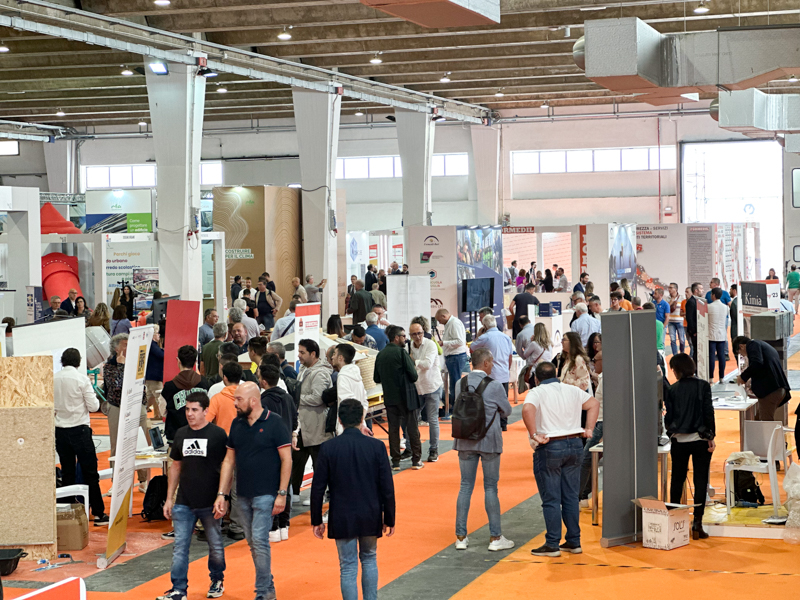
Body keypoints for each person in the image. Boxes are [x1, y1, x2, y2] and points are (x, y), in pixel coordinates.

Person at [214, 382, 292, 600]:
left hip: (266, 494)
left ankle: (262, 593)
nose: (235, 403)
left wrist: (282, 494)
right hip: (243, 494)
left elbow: (287, 459)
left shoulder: (275, 423)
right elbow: (229, 460)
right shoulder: (237, 424)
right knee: (253, 543)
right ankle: (268, 587)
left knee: (258, 540)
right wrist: (222, 494)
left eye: (239, 399)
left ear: (253, 400)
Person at [311, 399, 395, 600]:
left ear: (339, 420)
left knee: (347, 566)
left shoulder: (328, 448)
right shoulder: (377, 447)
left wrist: (316, 520)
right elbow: (387, 487)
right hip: (370, 512)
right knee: (369, 558)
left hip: (342, 514)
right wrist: (390, 517)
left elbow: (318, 488)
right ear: (362, 418)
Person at [522, 361, 599, 557]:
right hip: (574, 444)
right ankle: (574, 541)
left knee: (551, 498)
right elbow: (593, 404)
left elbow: (527, 409)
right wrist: (589, 429)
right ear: (556, 374)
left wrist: (534, 434)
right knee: (571, 496)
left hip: (550, 446)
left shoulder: (537, 392)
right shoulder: (571, 389)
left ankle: (552, 543)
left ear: (537, 379)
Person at [158, 392, 227, 600]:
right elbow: (175, 466)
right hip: (184, 502)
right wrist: (169, 498)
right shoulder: (181, 434)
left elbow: (227, 467)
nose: (189, 414)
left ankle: (217, 579)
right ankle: (178, 589)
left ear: (206, 411)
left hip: (210, 502)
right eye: (187, 409)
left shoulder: (218, 435)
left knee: (215, 546)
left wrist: (222, 496)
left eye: (194, 410)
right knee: (180, 547)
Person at [453, 347, 514, 552]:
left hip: (464, 440)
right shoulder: (494, 385)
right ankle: (495, 537)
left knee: (465, 486)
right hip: (489, 441)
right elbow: (507, 410)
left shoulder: (459, 384)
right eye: (492, 362)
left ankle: (461, 537)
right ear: (486, 363)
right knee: (490, 487)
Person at [54, 348, 107, 524]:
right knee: (90, 472)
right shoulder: (82, 379)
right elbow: (93, 406)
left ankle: (69, 512)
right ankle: (98, 513)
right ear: (78, 362)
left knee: (67, 472)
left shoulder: (53, 379)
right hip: (80, 430)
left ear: (62, 361)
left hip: (60, 431)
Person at [665, 353, 715, 540]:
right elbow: (708, 412)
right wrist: (711, 435)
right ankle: (697, 523)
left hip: (679, 440)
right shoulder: (703, 386)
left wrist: (671, 432)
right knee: (700, 481)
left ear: (677, 370)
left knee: (677, 480)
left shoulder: (672, 389)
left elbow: (669, 416)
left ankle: (674, 522)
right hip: (700, 439)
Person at [104, 333, 150, 489]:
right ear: (116, 349)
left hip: (137, 405)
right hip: (117, 406)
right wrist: (122, 366)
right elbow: (117, 385)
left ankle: (143, 480)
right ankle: (116, 482)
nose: (129, 347)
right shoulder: (109, 366)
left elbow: (141, 384)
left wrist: (143, 403)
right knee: (117, 444)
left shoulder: (137, 363)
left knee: (142, 442)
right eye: (125, 344)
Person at [373, 325, 423, 470]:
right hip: (406, 396)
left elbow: (376, 378)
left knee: (393, 429)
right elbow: (414, 376)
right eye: (403, 336)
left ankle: (395, 461)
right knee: (412, 428)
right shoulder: (401, 353)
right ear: (396, 338)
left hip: (390, 396)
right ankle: (416, 460)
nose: (405, 339)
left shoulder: (380, 355)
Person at [259, 363, 298, 542]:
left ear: (263, 381)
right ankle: (284, 525)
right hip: (286, 449)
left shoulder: (263, 401)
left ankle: (273, 527)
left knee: (270, 489)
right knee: (285, 487)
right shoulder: (288, 398)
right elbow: (295, 421)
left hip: (269, 450)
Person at [291, 339, 334, 502]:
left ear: (313, 354)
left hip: (317, 426)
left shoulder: (320, 373)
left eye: (302, 352)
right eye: (299, 352)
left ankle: (319, 495)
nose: (299, 355)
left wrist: (296, 398)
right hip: (302, 425)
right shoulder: (303, 369)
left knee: (319, 464)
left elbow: (318, 398)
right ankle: (295, 493)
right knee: (297, 460)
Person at [733, 336, 792, 421]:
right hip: (776, 388)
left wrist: (743, 377)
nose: (743, 355)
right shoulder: (762, 345)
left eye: (740, 353)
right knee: (758, 420)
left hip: (770, 391)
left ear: (741, 346)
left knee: (765, 422)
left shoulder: (753, 345)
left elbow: (757, 363)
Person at [162, 345, 212, 443]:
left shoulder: (169, 386)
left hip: (175, 436)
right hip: (199, 435)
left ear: (178, 361)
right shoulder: (204, 382)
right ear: (195, 362)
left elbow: (162, 411)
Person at [409, 320, 443, 463]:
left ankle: (434, 449)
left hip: (432, 386)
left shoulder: (430, 344)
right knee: (412, 419)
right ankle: (412, 449)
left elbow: (427, 364)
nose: (418, 336)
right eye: (414, 334)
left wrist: (413, 361)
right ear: (410, 335)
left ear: (423, 332)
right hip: (417, 388)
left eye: (420, 333)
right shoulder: (409, 346)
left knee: (432, 419)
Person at [435, 308, 469, 419]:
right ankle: (455, 408)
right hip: (453, 357)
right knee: (454, 384)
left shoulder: (454, 323)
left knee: (455, 385)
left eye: (439, 320)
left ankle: (457, 409)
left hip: (456, 357)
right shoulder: (450, 324)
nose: (439, 322)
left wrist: (443, 343)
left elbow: (460, 341)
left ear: (444, 316)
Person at [470, 313, 513, 396]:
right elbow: (510, 357)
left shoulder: (484, 337)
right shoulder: (506, 337)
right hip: (504, 374)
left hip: (491, 376)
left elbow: (471, 348)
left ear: (485, 326)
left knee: (490, 400)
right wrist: (507, 370)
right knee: (503, 400)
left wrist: (478, 335)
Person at [331, 344, 369, 435]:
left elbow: (347, 403)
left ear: (340, 358)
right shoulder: (356, 374)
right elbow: (364, 402)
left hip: (347, 428)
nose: (332, 357)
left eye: (334, 354)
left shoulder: (343, 376)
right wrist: (361, 422)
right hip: (358, 425)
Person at [579, 374, 603, 507]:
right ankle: (583, 495)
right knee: (590, 459)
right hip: (599, 422)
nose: (594, 365)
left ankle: (579, 496)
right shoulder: (601, 377)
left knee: (587, 458)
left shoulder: (606, 378)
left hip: (601, 422)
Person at [207, 361, 242, 435]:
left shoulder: (216, 399)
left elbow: (206, 421)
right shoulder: (247, 398)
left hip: (222, 438)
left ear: (225, 378)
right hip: (243, 437)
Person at [707, 287, 728, 383]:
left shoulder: (709, 307)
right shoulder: (726, 307)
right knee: (721, 356)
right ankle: (722, 377)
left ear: (714, 295)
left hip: (711, 335)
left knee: (711, 356)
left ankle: (711, 378)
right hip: (722, 335)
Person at [145, 331, 165, 420]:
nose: (159, 335)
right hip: (154, 376)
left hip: (151, 376)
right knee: (159, 397)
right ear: (153, 335)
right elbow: (161, 355)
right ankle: (161, 415)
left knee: (150, 397)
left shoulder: (152, 345)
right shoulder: (152, 345)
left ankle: (157, 415)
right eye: (157, 333)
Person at [515, 316, 536, 388]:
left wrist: (524, 356)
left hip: (531, 363)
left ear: (520, 325)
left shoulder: (521, 335)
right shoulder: (537, 330)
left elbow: (518, 350)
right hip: (543, 361)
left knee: (533, 386)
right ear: (529, 321)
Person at [685, 282, 703, 359]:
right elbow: (689, 318)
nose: (702, 290)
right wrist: (694, 331)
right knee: (696, 351)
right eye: (701, 289)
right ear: (696, 290)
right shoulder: (691, 302)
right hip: (695, 332)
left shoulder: (700, 301)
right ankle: (695, 365)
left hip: (701, 330)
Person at [667, 283, 685, 355]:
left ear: (676, 289)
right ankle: (675, 355)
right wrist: (671, 301)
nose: (669, 289)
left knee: (682, 340)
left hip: (680, 321)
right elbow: (666, 308)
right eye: (669, 288)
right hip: (671, 321)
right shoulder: (667, 298)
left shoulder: (682, 298)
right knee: (673, 340)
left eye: (671, 288)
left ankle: (682, 354)